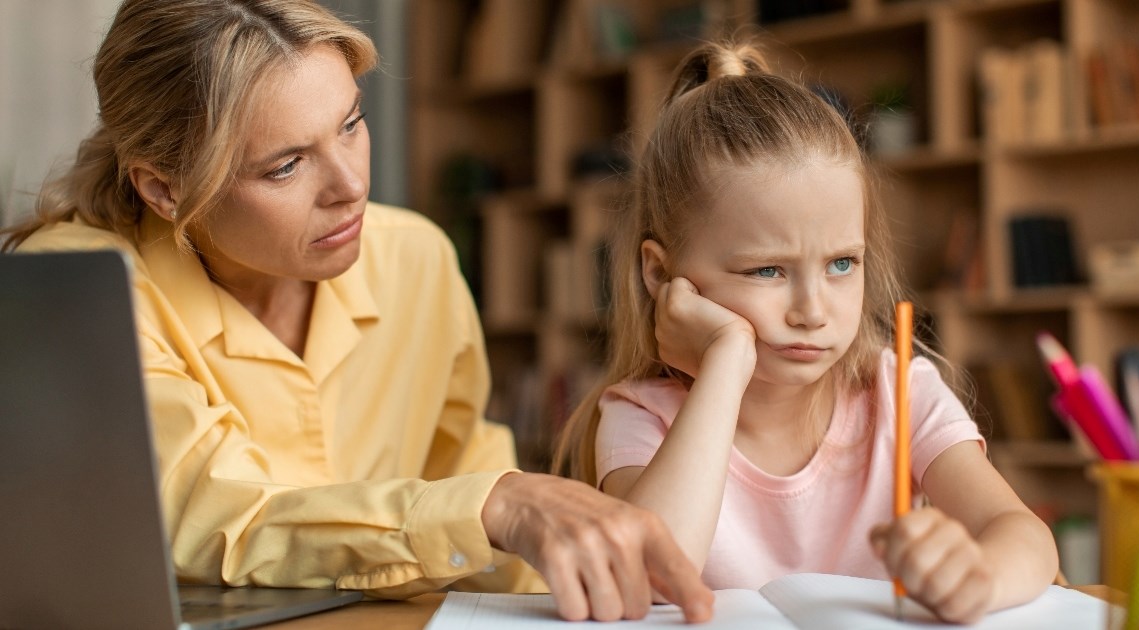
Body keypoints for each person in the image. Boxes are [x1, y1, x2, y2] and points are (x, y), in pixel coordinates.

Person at [0, 0, 714, 623]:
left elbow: (471, 487)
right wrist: (490, 506)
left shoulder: (417, 260)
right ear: (163, 189)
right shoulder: (77, 286)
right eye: (285, 166)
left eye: (351, 123)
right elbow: (213, 514)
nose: (350, 186)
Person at [552, 40, 1059, 625]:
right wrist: (725, 361)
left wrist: (982, 575)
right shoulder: (639, 416)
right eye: (767, 270)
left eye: (842, 263)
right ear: (662, 275)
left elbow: (1024, 535)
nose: (813, 310)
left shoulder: (899, 392)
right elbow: (652, 576)